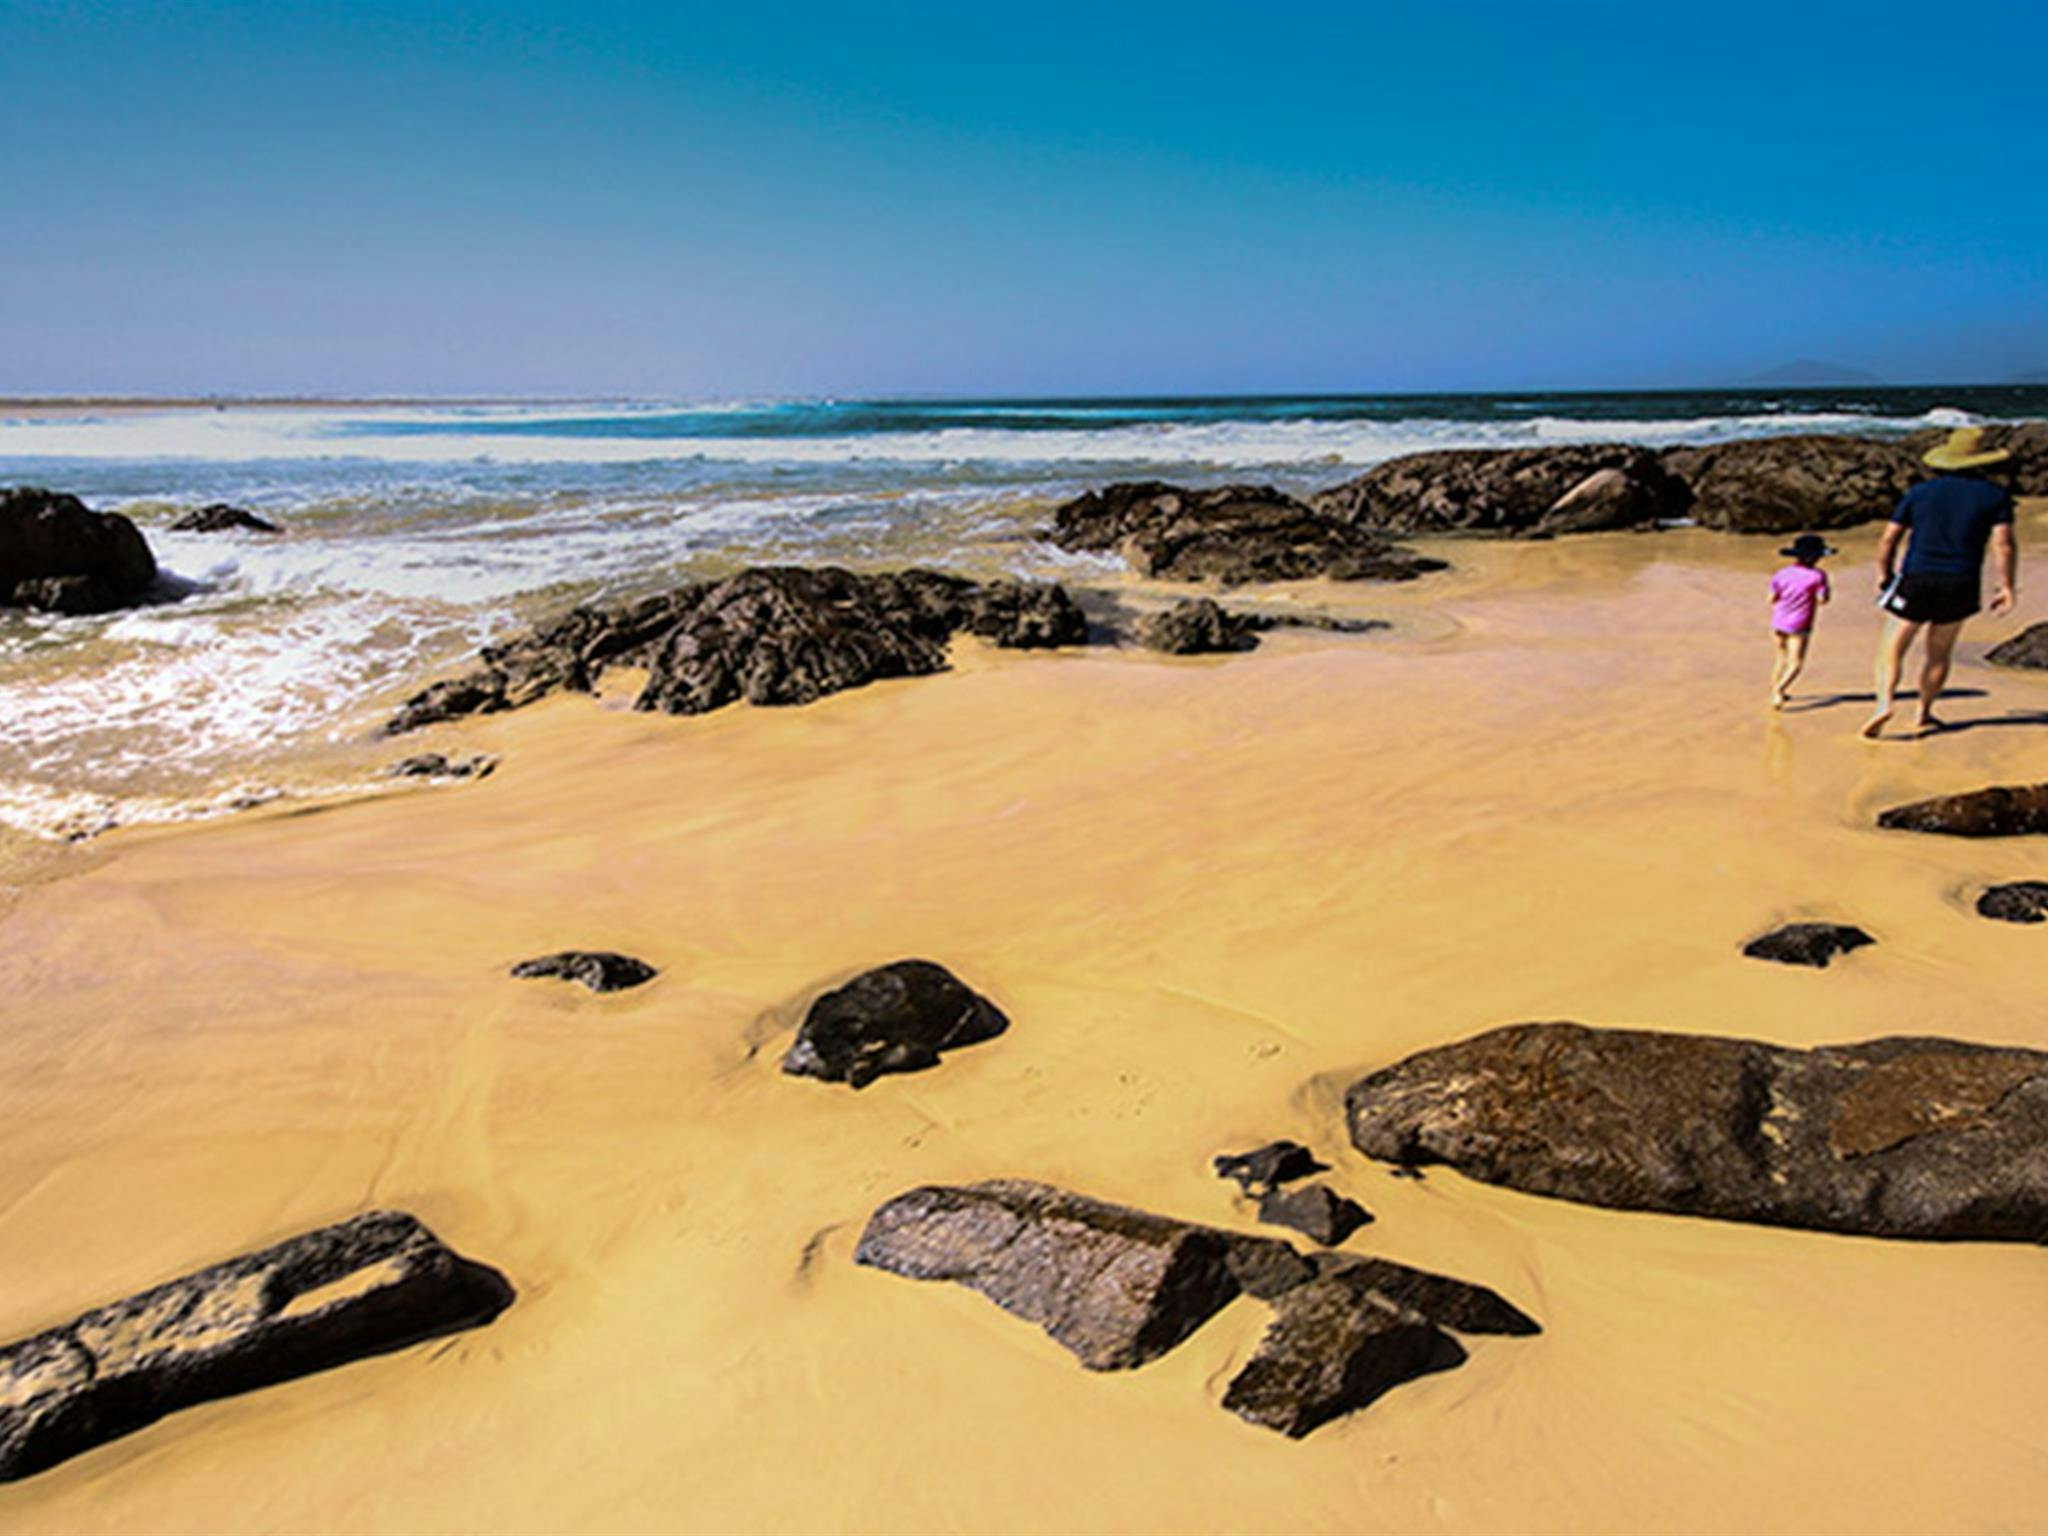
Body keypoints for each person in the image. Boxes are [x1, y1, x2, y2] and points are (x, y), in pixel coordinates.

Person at [1861, 427, 2020, 739]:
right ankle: (1923, 712)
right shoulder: (1995, 496)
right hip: (1961, 582)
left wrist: (1884, 574)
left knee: (1892, 648)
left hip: (1917, 577)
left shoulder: (1920, 492)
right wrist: (2007, 587)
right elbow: (2004, 545)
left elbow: (1889, 539)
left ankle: (1884, 704)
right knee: (1939, 654)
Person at [1768, 534, 1832, 708]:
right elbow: (1822, 600)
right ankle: (1779, 691)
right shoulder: (1818, 576)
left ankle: (1776, 689)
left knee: (1781, 658)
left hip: (1777, 621)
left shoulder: (1781, 573)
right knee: (1796, 662)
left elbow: (1771, 598)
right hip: (1799, 623)